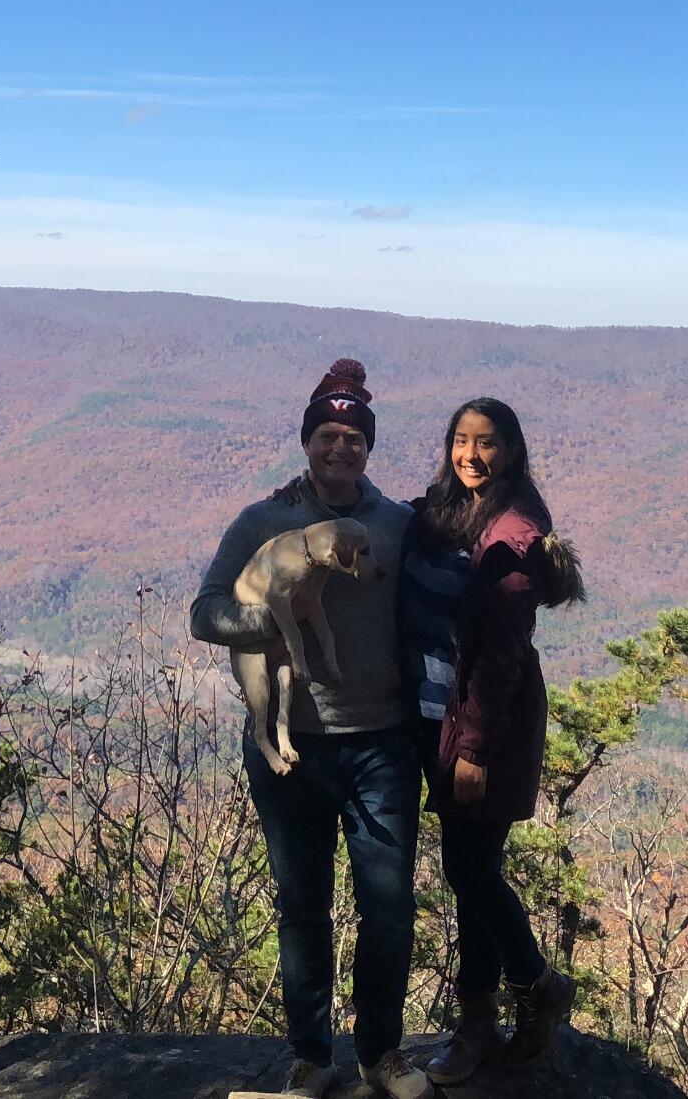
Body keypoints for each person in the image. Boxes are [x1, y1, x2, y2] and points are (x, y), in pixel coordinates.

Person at [192, 359, 430, 1099]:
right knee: (302, 904)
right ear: (307, 442)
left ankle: (381, 1054)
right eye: (327, 434)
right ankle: (309, 1056)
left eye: (352, 437)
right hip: (292, 748)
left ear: (368, 447)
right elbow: (204, 612)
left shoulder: (395, 525)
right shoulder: (265, 521)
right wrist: (264, 619)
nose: (339, 448)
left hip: (380, 740)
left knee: (387, 904)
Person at [398, 397, 581, 1085]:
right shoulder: (449, 510)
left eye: (487, 443)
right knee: (473, 871)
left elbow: (501, 655)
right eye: (461, 440)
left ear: (512, 449)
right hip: (435, 716)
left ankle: (532, 986)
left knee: (470, 870)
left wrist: (473, 748)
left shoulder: (514, 535)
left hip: (483, 728)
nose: (471, 454)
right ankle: (479, 1022)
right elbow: (405, 517)